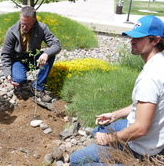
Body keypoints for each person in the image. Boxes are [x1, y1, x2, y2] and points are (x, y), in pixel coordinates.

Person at [70, 15, 164, 165]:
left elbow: (140, 128)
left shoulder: (150, 77)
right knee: (98, 130)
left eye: (139, 38)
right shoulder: (159, 63)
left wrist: (110, 139)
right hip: (153, 137)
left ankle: (132, 160)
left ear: (156, 40)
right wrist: (114, 114)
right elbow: (143, 105)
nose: (132, 41)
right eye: (132, 36)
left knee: (76, 160)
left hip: (141, 146)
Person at [1, 6, 61, 102]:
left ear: (34, 21)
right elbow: (5, 55)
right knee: (20, 80)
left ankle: (38, 87)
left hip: (33, 58)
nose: (24, 27)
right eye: (22, 23)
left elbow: (56, 45)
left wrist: (46, 54)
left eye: (28, 24)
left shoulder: (42, 28)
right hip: (18, 61)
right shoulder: (12, 32)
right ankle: (19, 86)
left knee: (50, 56)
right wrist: (8, 74)